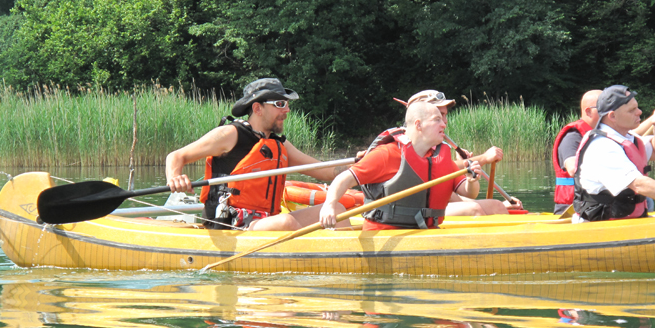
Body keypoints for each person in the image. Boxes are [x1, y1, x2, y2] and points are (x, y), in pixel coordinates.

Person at [165, 78, 346, 231]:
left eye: (287, 104)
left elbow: (325, 171)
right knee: (286, 222)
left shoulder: (279, 145)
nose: (287, 110)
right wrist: (175, 177)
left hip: (266, 221)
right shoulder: (230, 134)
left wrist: (364, 162)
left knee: (337, 209)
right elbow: (176, 156)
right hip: (233, 225)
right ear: (258, 108)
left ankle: (348, 259)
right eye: (280, 104)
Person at [319, 101, 483, 230]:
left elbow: (470, 193)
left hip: (426, 232)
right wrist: (329, 205)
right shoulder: (387, 154)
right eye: (437, 120)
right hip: (385, 234)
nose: (444, 125)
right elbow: (344, 179)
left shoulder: (440, 158)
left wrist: (472, 180)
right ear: (418, 125)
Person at [366, 89, 520, 215]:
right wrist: (484, 158)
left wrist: (475, 180)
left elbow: (456, 191)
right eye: (438, 115)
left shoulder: (438, 146)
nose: (444, 122)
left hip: (434, 207)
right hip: (401, 213)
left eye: (444, 115)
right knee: (474, 209)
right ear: (420, 116)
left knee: (497, 207)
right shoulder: (402, 146)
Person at [572, 85, 655, 222]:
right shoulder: (601, 146)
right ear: (612, 116)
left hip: (625, 220)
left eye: (637, 107)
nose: (640, 112)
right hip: (598, 225)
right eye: (632, 110)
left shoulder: (627, 137)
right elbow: (638, 184)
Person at [552, 90, 655, 215]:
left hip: (620, 205)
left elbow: (631, 138)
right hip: (577, 207)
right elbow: (574, 169)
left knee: (647, 199)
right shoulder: (573, 137)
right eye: (601, 106)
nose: (606, 108)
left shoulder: (615, 137)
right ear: (588, 112)